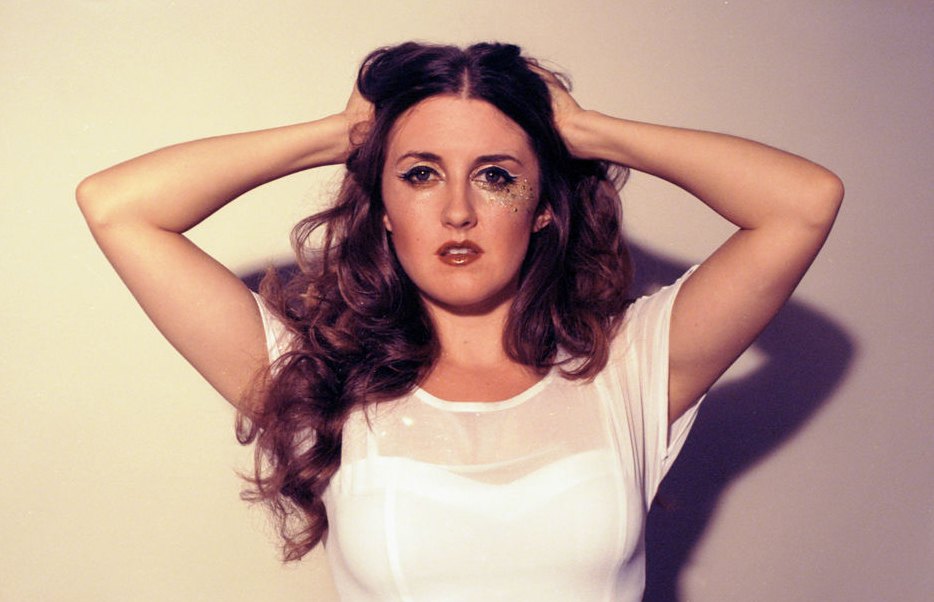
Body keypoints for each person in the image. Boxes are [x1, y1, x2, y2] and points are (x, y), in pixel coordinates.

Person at [77, 42, 843, 601]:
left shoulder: (627, 367)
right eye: (420, 174)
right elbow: (118, 208)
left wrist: (586, 134)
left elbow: (803, 204)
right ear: (382, 207)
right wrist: (342, 137)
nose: (457, 211)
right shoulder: (319, 384)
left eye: (497, 176)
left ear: (543, 208)